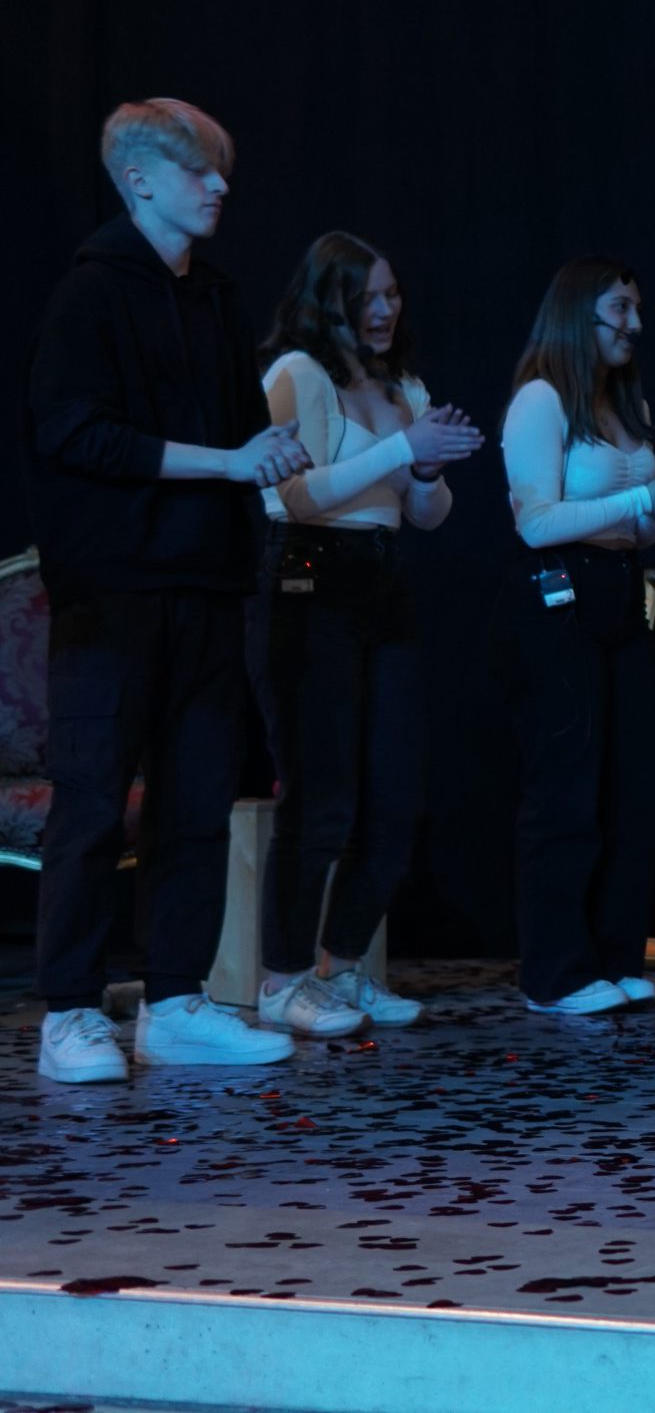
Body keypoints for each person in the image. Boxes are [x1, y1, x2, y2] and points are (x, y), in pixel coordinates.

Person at [26, 98, 308, 1083]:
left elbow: (241, 439)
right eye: (198, 169)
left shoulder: (217, 298)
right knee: (94, 803)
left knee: (198, 802)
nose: (220, 185)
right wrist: (230, 462)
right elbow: (75, 435)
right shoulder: (89, 296)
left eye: (221, 168)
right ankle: (69, 1010)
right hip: (113, 591)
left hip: (206, 584)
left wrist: (265, 462)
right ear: (139, 180)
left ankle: (176, 999)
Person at [249, 232, 482, 1038]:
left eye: (392, 295)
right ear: (330, 299)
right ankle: (281, 980)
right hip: (305, 580)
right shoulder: (299, 373)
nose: (384, 310)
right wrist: (402, 449)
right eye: (367, 297)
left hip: (381, 581)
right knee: (321, 797)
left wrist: (426, 470)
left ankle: (341, 966)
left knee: (395, 798)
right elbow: (295, 495)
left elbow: (425, 513)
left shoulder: (402, 384)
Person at [502, 257, 655, 1015]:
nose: (635, 324)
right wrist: (643, 499)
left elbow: (636, 525)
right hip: (560, 599)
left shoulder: (624, 400)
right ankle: (553, 973)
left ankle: (615, 956)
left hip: (623, 592)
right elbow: (536, 522)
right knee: (566, 788)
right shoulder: (541, 398)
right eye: (621, 308)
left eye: (636, 308)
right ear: (579, 313)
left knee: (631, 785)